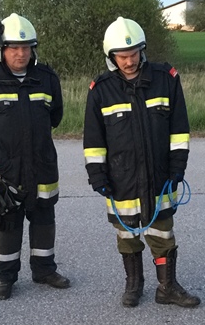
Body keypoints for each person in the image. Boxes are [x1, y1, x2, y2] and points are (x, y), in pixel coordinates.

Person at [83, 17, 199, 308]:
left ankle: (167, 288)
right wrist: (97, 175)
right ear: (111, 56)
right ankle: (134, 284)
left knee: (162, 231)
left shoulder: (165, 79)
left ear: (142, 50)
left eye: (134, 53)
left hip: (160, 174)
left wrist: (178, 167)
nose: (129, 61)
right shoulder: (100, 89)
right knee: (127, 234)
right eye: (122, 56)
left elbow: (179, 129)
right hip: (120, 177)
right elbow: (94, 139)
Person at [0, 13, 69, 300]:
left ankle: (44, 270)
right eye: (14, 48)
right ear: (1, 49)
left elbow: (55, 117)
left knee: (44, 218)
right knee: (6, 221)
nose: (21, 53)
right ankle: (4, 277)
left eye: (26, 47)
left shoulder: (46, 78)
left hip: (42, 165)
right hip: (5, 169)